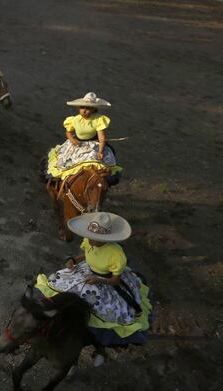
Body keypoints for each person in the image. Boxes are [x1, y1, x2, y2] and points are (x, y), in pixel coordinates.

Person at [34, 212, 152, 364]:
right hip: (86, 271)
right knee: (57, 285)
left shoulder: (116, 254)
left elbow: (116, 280)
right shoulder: (89, 240)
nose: (90, 239)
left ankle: (99, 345)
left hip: (105, 281)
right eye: (89, 235)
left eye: (95, 238)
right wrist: (73, 260)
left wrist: (99, 280)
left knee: (101, 312)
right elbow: (85, 253)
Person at [42, 92, 123, 185]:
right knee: (63, 162)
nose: (84, 110)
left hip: (93, 144)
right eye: (82, 108)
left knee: (97, 161)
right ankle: (58, 184)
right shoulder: (74, 120)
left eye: (88, 108)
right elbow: (68, 132)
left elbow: (101, 137)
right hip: (77, 144)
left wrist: (100, 151)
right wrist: (72, 140)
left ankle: (100, 184)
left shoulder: (98, 120)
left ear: (93, 110)